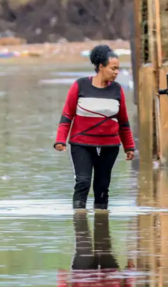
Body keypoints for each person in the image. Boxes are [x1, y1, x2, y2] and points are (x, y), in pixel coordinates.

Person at [54, 45, 136, 211]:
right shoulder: (80, 85)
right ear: (101, 67)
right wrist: (60, 140)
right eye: (113, 68)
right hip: (81, 144)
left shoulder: (117, 89)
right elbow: (67, 115)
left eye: (118, 69)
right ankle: (80, 226)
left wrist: (129, 146)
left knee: (102, 186)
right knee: (83, 182)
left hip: (110, 146)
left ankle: (101, 227)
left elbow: (123, 122)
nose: (116, 72)